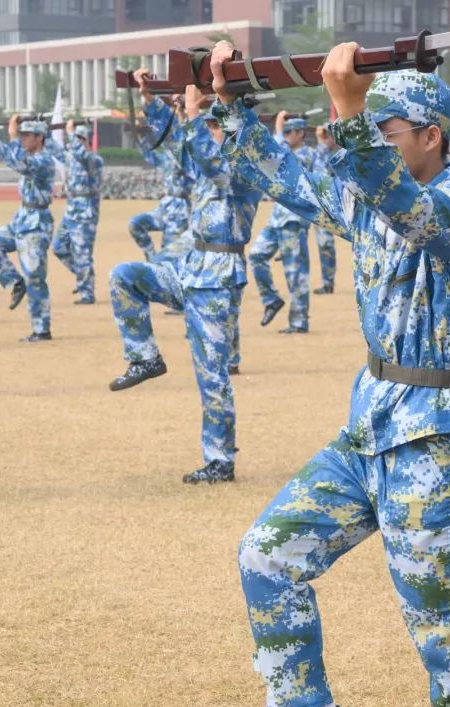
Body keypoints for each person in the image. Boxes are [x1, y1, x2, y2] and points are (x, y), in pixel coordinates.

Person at [212, 41, 450, 707]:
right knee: (267, 557)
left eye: (384, 129)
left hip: (434, 440)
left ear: (432, 136)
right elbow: (286, 178)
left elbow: (409, 210)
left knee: (441, 623)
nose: (372, 137)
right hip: (368, 427)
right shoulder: (367, 196)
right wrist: (231, 109)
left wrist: (347, 112)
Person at [108, 68, 262, 485]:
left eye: (215, 124)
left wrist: (194, 113)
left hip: (218, 281)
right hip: (190, 270)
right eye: (208, 125)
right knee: (124, 275)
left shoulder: (246, 165)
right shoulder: (210, 162)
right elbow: (178, 148)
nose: (209, 130)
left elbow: (211, 162)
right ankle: (144, 357)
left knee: (211, 376)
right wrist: (152, 102)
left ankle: (220, 461)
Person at [0, 113, 56, 341]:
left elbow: (19, 163)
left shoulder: (44, 160)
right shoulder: (27, 155)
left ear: (40, 137)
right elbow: (9, 156)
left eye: (27, 135)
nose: (22, 138)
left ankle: (41, 329)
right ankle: (14, 281)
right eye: (21, 135)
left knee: (34, 276)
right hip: (22, 218)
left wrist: (11, 136)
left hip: (37, 223)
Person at [248, 112, 322, 333]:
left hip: (294, 219)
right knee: (256, 255)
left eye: (291, 131)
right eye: (286, 131)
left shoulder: (307, 154)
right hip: (278, 216)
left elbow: (282, 159)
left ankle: (298, 322)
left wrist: (278, 130)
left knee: (295, 273)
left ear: (301, 133)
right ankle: (271, 298)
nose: (288, 135)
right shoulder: (287, 150)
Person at [52, 121, 103, 305]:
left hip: (85, 213)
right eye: (77, 138)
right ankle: (84, 277)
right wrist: (42, 131)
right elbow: (54, 150)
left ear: (88, 140)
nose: (78, 141)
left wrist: (71, 133)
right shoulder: (72, 158)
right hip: (71, 210)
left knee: (82, 253)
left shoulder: (93, 160)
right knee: (58, 247)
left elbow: (81, 154)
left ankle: (87, 292)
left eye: (82, 138)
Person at [128, 124, 192, 261]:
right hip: (164, 208)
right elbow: (149, 155)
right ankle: (151, 258)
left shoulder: (186, 157)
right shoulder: (166, 158)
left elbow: (179, 150)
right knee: (135, 224)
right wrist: (141, 135)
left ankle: (160, 265)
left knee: (170, 255)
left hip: (179, 212)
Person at [312, 125, 339, 295]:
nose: (327, 139)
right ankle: (327, 282)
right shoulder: (318, 154)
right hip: (323, 208)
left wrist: (321, 145)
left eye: (330, 136)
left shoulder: (339, 155)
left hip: (339, 208)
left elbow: (323, 175)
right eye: (325, 136)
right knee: (324, 244)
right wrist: (320, 144)